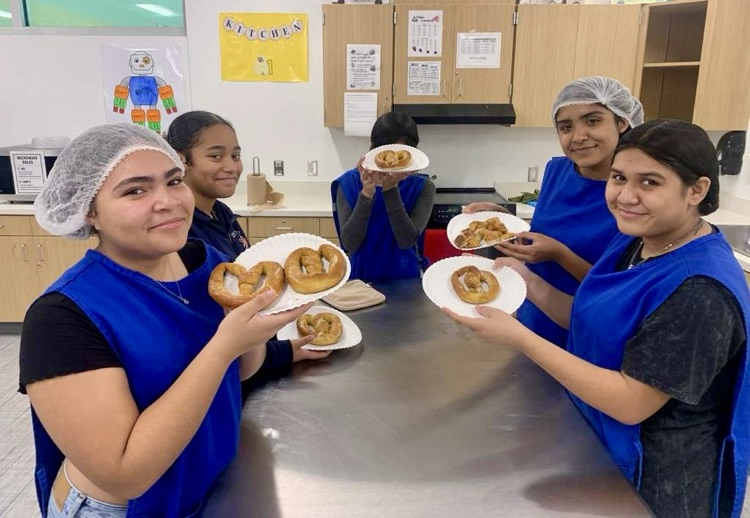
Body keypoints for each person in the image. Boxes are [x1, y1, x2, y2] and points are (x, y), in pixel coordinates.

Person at [446, 119, 750, 518]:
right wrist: (529, 284)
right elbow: (592, 320)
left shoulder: (700, 290)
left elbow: (631, 402)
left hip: (653, 482)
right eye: (619, 177)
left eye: (650, 183)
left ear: (696, 190)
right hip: (597, 446)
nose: (626, 196)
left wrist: (520, 337)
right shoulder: (635, 241)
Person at [19, 123, 312, 517]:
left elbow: (242, 370)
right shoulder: (63, 316)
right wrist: (223, 344)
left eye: (174, 181)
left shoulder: (206, 263)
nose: (168, 201)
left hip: (208, 487)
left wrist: (253, 329)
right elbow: (126, 474)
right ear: (90, 211)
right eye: (136, 190)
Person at [465, 76, 644, 348]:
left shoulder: (634, 196)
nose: (579, 136)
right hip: (532, 318)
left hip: (584, 331)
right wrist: (502, 219)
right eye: (566, 127)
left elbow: (617, 289)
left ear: (622, 122)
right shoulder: (557, 170)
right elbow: (545, 230)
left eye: (593, 121)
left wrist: (559, 254)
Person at [166, 111, 329, 400]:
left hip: (255, 358)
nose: (232, 166)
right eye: (216, 156)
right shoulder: (182, 236)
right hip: (223, 383)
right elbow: (210, 330)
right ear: (181, 160)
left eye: (236, 155)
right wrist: (284, 352)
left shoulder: (222, 214)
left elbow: (248, 288)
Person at [331, 111, 436, 281]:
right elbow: (349, 243)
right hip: (359, 279)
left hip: (405, 281)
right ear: (375, 151)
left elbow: (406, 240)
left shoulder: (423, 188)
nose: (393, 165)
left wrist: (390, 189)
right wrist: (366, 194)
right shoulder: (348, 183)